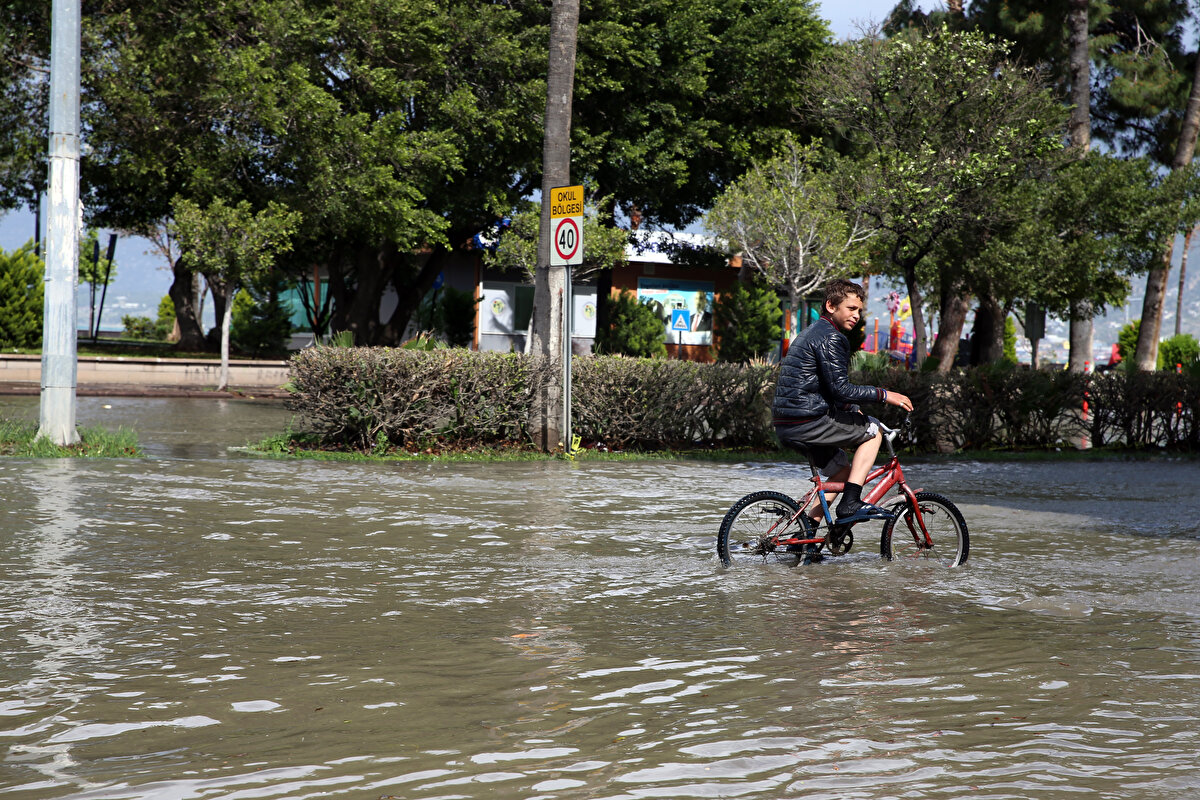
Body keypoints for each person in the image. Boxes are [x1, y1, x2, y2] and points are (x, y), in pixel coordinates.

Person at [773, 279, 914, 525]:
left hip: (788, 423)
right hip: (808, 420)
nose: (856, 315)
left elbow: (823, 386)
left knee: (841, 472)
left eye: (859, 310)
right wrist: (884, 394)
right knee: (874, 431)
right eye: (851, 308)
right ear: (831, 306)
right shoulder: (832, 337)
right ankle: (850, 503)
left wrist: (850, 409)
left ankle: (807, 532)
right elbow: (841, 390)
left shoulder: (811, 332)